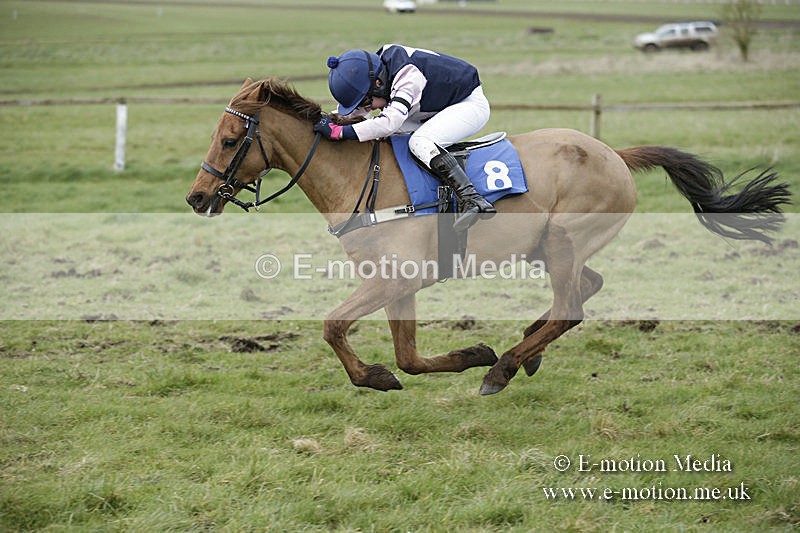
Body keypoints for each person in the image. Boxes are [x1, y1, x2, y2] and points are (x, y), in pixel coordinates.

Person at [314, 44, 496, 231]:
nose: (367, 109)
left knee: (420, 142)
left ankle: (472, 198)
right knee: (384, 134)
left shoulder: (408, 76)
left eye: (366, 102)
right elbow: (358, 112)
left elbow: (390, 122)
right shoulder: (377, 71)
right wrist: (329, 119)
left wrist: (340, 132)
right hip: (434, 106)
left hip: (468, 105)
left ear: (378, 83)